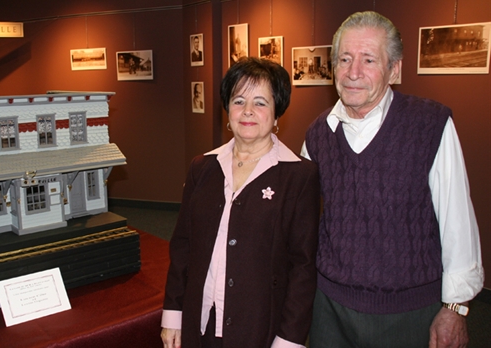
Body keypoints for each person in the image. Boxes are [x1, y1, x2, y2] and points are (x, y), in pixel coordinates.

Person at [301, 11, 484, 348]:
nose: (353, 72)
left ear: (394, 70)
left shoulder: (430, 125)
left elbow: (456, 220)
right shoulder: (317, 135)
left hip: (409, 314)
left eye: (368, 59)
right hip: (329, 309)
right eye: (345, 59)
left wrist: (455, 307)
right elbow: (301, 222)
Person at [161, 57, 320, 348]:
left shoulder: (300, 175)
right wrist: (173, 314)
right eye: (238, 100)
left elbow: (303, 267)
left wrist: (289, 340)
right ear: (227, 109)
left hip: (260, 329)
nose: (247, 111)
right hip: (201, 323)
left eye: (260, 102)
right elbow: (183, 246)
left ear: (276, 115)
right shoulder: (203, 168)